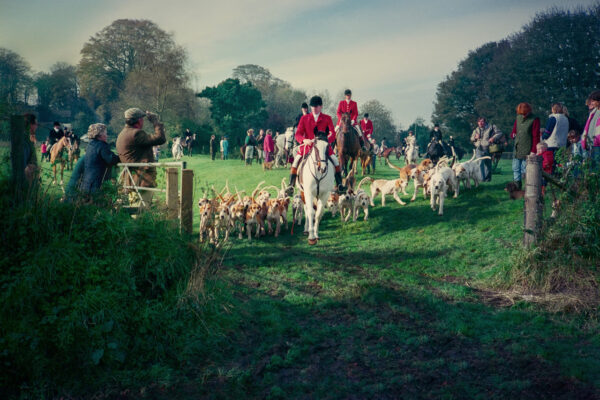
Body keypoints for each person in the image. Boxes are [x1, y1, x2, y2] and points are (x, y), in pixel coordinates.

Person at [286, 95, 345, 195]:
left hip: (323, 147)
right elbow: (298, 134)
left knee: (335, 161)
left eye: (316, 106)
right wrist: (304, 140)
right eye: (312, 106)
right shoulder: (304, 118)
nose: (314, 108)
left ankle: (339, 184)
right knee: (296, 161)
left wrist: (325, 140)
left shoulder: (327, 118)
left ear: (321, 106)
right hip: (308, 147)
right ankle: (291, 185)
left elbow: (332, 133)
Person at [116, 107, 166, 207]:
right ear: (139, 120)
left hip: (131, 179)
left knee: (135, 210)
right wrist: (155, 122)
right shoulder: (136, 133)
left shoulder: (122, 134)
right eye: (142, 119)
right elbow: (160, 139)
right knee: (141, 213)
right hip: (141, 181)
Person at [79, 123, 120, 196]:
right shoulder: (102, 145)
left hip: (86, 183)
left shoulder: (90, 145)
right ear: (100, 134)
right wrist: (121, 157)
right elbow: (111, 159)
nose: (107, 136)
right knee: (97, 206)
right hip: (97, 184)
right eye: (105, 133)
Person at [510, 102, 540, 189]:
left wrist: (534, 150)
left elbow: (536, 136)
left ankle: (529, 187)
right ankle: (517, 186)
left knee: (525, 169)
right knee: (515, 168)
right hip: (517, 148)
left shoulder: (535, 119)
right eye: (521, 114)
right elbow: (514, 129)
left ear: (528, 111)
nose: (522, 115)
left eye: (524, 113)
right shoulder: (518, 117)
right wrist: (513, 134)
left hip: (528, 148)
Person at [540, 103, 569, 180]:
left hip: (551, 144)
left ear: (553, 109)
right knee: (559, 165)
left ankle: (548, 182)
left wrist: (541, 138)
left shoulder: (553, 118)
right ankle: (559, 181)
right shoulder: (566, 118)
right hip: (562, 144)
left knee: (549, 165)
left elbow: (547, 132)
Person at [470, 117, 503, 182]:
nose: (480, 123)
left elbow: (499, 133)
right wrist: (475, 137)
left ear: (485, 122)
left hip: (488, 149)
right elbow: (471, 138)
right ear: (477, 122)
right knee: (480, 164)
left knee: (488, 165)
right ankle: (482, 179)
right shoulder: (476, 130)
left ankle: (487, 179)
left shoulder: (491, 127)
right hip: (479, 149)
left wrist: (493, 138)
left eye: (482, 121)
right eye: (479, 121)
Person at [23, 113, 39, 185]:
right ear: (30, 125)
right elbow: (24, 165)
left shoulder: (29, 140)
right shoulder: (25, 142)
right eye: (36, 124)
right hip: (27, 179)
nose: (37, 126)